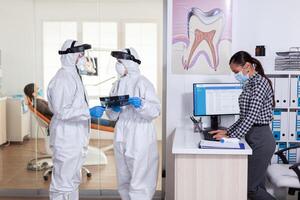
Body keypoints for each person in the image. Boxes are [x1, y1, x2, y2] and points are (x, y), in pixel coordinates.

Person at [210, 51, 276, 200]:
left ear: (247, 66)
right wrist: (227, 131)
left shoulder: (260, 84)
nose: (235, 75)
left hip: (261, 139)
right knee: (257, 186)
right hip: (253, 136)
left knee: (250, 189)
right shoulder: (249, 84)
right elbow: (244, 117)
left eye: (236, 71)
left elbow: (251, 117)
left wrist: (230, 135)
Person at [47, 39, 105, 200]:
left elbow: (73, 106)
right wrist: (88, 111)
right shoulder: (63, 79)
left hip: (75, 137)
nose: (84, 58)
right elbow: (62, 112)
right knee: (62, 183)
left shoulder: (74, 76)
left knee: (72, 180)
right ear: (70, 56)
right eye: (80, 54)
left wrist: (87, 111)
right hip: (67, 138)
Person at [106, 48, 160, 200]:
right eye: (117, 62)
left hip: (140, 131)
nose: (118, 65)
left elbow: (155, 111)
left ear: (130, 63)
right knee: (123, 175)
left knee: (140, 175)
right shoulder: (116, 85)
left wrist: (142, 105)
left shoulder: (143, 83)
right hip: (121, 130)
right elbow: (111, 114)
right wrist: (113, 109)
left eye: (120, 61)